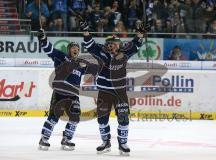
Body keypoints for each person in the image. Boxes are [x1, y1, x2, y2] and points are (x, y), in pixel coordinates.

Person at [80, 20, 150, 156]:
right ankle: (105, 142)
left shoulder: (124, 52)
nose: (113, 46)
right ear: (106, 45)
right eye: (110, 44)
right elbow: (89, 44)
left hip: (120, 92)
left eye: (116, 43)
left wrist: (140, 33)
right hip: (104, 92)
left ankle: (122, 143)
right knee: (102, 119)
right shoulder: (100, 52)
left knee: (123, 118)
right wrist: (85, 31)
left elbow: (135, 44)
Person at [37, 29, 99, 151]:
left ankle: (67, 139)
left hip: (73, 96)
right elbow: (49, 50)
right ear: (69, 49)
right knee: (54, 117)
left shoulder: (81, 64)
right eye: (73, 47)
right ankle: (44, 138)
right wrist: (43, 38)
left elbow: (97, 69)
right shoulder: (61, 57)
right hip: (60, 93)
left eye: (77, 48)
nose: (75, 49)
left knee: (75, 117)